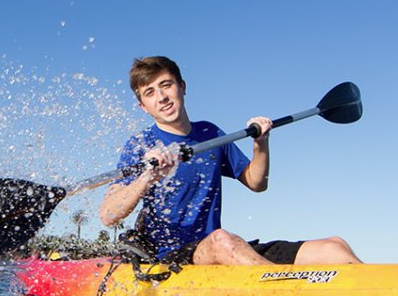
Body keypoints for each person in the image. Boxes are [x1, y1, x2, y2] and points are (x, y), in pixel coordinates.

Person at [99, 56, 362, 265]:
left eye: (166, 85)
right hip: (170, 257)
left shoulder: (210, 133)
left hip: (217, 248)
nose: (162, 97)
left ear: (182, 87)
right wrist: (147, 177)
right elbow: (108, 215)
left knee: (334, 248)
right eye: (150, 92)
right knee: (222, 241)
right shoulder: (140, 145)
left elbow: (256, 183)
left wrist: (261, 143)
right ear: (143, 107)